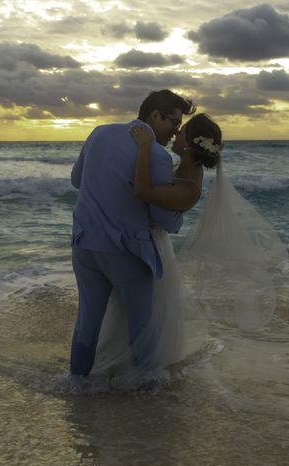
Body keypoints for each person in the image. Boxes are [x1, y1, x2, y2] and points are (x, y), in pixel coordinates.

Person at [92, 113, 289, 383]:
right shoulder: (176, 167)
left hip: (154, 250)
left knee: (144, 319)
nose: (175, 134)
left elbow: (143, 191)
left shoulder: (189, 185)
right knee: (129, 314)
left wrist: (143, 147)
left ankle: (144, 379)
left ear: (190, 144)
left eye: (182, 131)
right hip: (138, 244)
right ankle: (125, 367)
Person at [69, 89, 195, 377]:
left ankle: (76, 385)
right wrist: (178, 218)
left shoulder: (98, 133)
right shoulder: (157, 156)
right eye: (173, 123)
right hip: (126, 251)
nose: (175, 132)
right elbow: (161, 217)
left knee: (87, 321)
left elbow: (77, 181)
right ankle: (145, 395)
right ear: (154, 115)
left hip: (84, 244)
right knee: (141, 326)